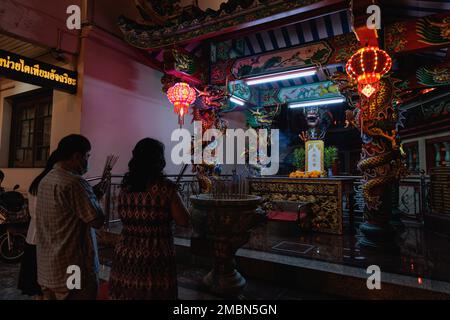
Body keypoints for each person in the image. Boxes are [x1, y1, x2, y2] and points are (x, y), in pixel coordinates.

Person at [109, 138, 190, 300]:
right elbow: (184, 220)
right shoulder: (166, 188)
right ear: (159, 160)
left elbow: (123, 215)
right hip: (155, 256)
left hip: (126, 255)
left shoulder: (126, 187)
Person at [35, 134, 106, 300]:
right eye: (87, 156)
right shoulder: (74, 183)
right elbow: (97, 220)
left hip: (49, 268)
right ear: (76, 157)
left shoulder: (46, 179)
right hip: (73, 270)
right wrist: (95, 198)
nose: (88, 161)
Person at [17, 151, 59, 299]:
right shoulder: (55, 182)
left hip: (33, 238)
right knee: (49, 287)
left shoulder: (37, 181)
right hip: (48, 240)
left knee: (38, 288)